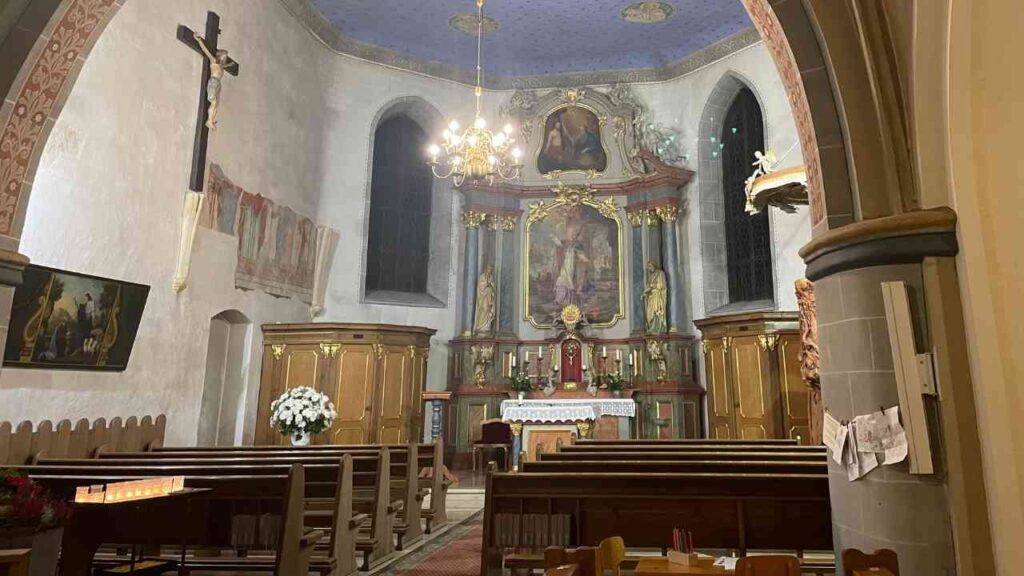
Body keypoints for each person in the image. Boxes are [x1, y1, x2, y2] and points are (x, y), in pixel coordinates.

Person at [193, 32, 233, 130]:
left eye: (226, 57)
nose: (225, 58)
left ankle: (211, 119)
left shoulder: (221, 66)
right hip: (213, 82)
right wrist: (199, 40)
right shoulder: (214, 61)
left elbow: (224, 66)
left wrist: (229, 65)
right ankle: (209, 121)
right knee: (213, 102)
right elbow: (206, 51)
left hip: (218, 84)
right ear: (219, 56)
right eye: (224, 56)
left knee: (216, 105)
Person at [641, 261, 668, 333]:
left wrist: (654, 286)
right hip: (651, 297)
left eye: (650, 266)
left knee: (656, 311)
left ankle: (658, 327)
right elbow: (648, 287)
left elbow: (662, 285)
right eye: (648, 267)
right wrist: (645, 293)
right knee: (649, 314)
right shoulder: (651, 276)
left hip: (657, 296)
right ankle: (651, 327)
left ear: (654, 265)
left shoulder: (660, 273)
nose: (649, 268)